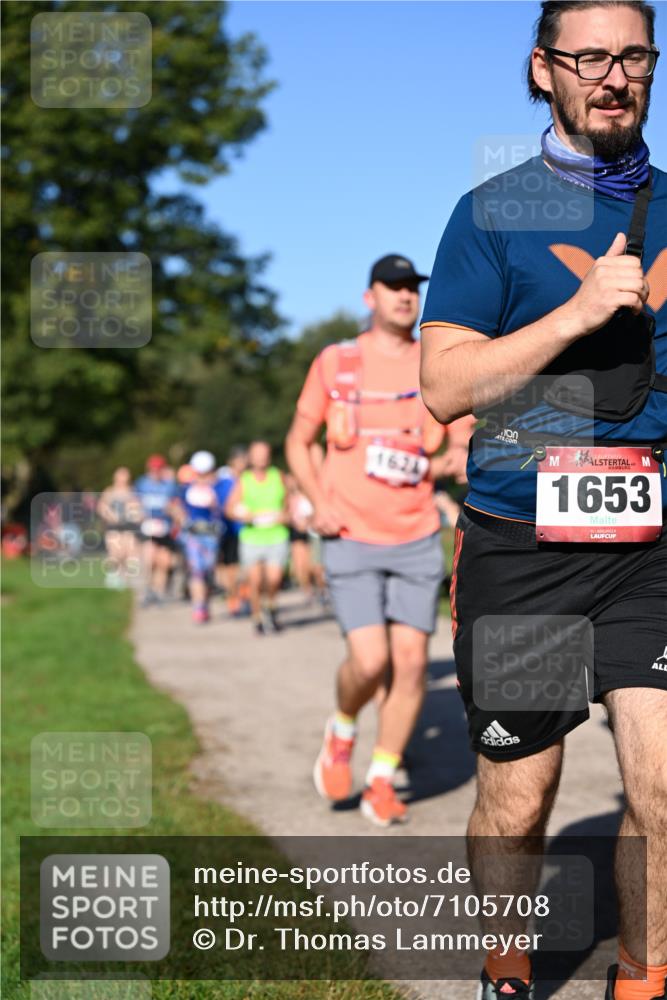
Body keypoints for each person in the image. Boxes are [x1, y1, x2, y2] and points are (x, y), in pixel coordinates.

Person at [420, 4, 666, 998]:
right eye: (591, 56)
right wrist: (573, 314)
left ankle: (642, 974)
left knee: (661, 784)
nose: (616, 75)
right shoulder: (491, 212)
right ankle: (506, 959)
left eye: (636, 54)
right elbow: (442, 387)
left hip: (649, 549)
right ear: (542, 69)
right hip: (523, 545)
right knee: (520, 802)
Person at [286, 254, 472, 827]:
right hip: (350, 532)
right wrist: (318, 502)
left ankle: (382, 779)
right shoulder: (337, 361)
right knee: (370, 663)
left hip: (415, 533)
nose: (405, 296)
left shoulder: (434, 363)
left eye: (412, 288)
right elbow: (298, 441)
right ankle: (343, 729)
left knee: (412, 664)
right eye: (392, 287)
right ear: (370, 297)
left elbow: (458, 442)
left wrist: (454, 456)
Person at [225, 440, 289, 635]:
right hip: (252, 536)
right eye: (257, 454)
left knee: (274, 578)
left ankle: (270, 606)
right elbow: (229, 509)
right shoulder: (243, 480)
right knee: (255, 580)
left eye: (264, 453)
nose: (261, 458)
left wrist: (284, 516)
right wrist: (245, 515)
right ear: (250, 457)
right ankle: (257, 617)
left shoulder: (278, 476)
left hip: (276, 535)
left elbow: (288, 506)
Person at [176, 450, 227, 624]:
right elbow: (176, 507)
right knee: (196, 571)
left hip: (211, 536)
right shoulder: (186, 488)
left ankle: (205, 602)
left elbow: (223, 509)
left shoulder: (218, 487)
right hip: (193, 536)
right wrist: (182, 519)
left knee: (207, 571)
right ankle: (199, 606)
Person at [134, 454, 179, 606]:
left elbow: (175, 505)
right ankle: (148, 590)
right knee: (150, 560)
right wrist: (140, 515)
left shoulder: (169, 485)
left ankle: (158, 592)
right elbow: (135, 504)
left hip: (164, 528)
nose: (155, 472)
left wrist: (171, 510)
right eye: (153, 469)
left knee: (164, 562)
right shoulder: (142, 484)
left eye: (158, 469)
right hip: (148, 528)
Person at [216, 446, 248, 616]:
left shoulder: (249, 479)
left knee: (247, 567)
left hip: (249, 530)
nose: (243, 463)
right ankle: (233, 597)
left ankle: (244, 594)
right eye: (240, 460)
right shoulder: (224, 482)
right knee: (231, 566)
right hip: (230, 530)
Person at [97, 467, 143, 588]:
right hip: (114, 527)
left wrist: (135, 515)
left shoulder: (132, 491)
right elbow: (102, 507)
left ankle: (126, 580)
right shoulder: (110, 491)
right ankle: (112, 577)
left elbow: (138, 508)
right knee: (115, 553)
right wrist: (111, 516)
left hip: (128, 527)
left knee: (130, 553)